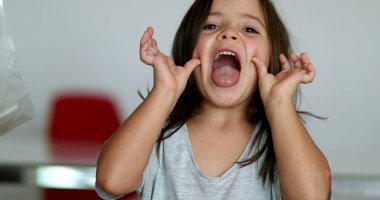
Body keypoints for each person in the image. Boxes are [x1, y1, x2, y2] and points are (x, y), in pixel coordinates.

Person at [96, 0, 332, 199]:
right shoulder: (159, 133)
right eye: (210, 25)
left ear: (271, 57)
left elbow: (312, 195)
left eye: (250, 29)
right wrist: (165, 92)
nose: (228, 33)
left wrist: (280, 103)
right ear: (189, 48)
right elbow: (111, 182)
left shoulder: (282, 139)